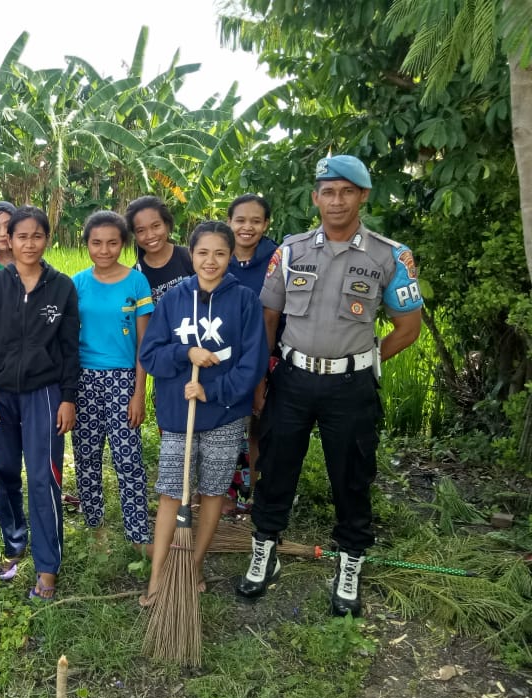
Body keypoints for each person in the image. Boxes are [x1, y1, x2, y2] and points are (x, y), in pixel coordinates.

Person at [236, 155, 423, 617]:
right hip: (293, 379)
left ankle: (349, 561)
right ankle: (265, 551)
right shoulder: (291, 251)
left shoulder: (390, 255)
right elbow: (269, 316)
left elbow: (407, 327)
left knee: (352, 475)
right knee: (276, 465)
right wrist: (263, 375)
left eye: (346, 191)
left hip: (351, 386)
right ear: (316, 197)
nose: (335, 200)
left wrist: (368, 359)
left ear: (362, 196)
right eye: (327, 191)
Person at [139, 221, 267, 603]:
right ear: (191, 254)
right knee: (170, 492)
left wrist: (212, 391)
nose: (210, 261)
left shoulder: (244, 300)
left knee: (212, 491)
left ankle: (193, 565)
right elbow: (150, 355)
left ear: (231, 256)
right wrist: (185, 353)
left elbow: (253, 363)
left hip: (225, 414)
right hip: (179, 415)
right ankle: (158, 575)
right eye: (202, 253)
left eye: (220, 253)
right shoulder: (173, 300)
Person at [0, 205, 79, 602]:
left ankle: (47, 568)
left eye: (37, 236)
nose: (29, 243)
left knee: (43, 477)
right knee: (1, 471)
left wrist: (68, 398)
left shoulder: (62, 287)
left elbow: (69, 349)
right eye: (21, 236)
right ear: (8, 241)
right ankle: (14, 544)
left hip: (45, 395)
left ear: (46, 239)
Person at [71, 211, 153, 549]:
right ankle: (95, 526)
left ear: (123, 244)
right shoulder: (76, 283)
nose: (104, 250)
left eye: (112, 243)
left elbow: (143, 345)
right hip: (83, 379)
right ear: (87, 244)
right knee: (86, 455)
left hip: (123, 380)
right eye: (96, 243)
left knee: (128, 458)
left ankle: (138, 533)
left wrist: (138, 394)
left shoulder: (137, 282)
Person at [225, 194, 280, 514]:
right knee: (227, 427)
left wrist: (263, 366)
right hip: (223, 359)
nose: (247, 227)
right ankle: (227, 495)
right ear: (229, 221)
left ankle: (259, 495)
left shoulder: (278, 259)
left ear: (266, 224)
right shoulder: (218, 254)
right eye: (240, 220)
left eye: (256, 221)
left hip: (266, 354)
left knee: (260, 425)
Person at [125, 195, 193, 304]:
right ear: (134, 235)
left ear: (166, 225)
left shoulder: (190, 257)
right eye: (141, 230)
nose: (150, 235)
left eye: (156, 226)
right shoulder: (135, 277)